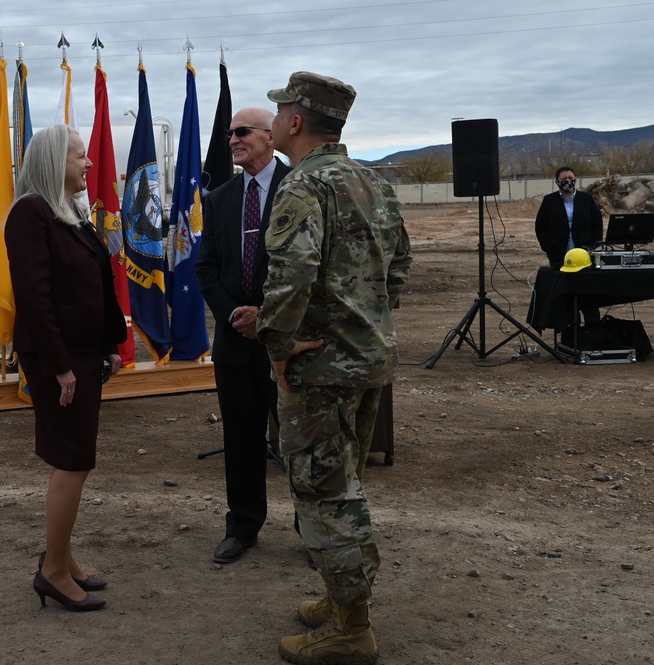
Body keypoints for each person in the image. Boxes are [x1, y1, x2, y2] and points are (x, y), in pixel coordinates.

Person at [257, 72, 412, 664]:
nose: (272, 121)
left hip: (321, 370)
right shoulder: (372, 182)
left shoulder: (304, 187)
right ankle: (338, 596)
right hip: (368, 360)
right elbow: (398, 269)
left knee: (325, 494)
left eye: (278, 112)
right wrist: (361, 322)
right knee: (343, 481)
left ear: (296, 122)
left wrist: (279, 343)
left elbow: (292, 275)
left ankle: (352, 628)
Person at [4, 124, 127, 613]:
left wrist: (110, 345)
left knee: (76, 459)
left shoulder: (70, 211)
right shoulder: (30, 212)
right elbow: (33, 298)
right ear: (55, 161)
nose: (89, 164)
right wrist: (60, 368)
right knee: (73, 460)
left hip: (81, 354)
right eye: (79, 156)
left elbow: (98, 280)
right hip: (58, 359)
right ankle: (52, 572)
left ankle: (63, 557)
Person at [195, 108, 292, 564]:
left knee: (300, 441)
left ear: (270, 136)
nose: (232, 139)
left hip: (288, 343)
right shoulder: (219, 198)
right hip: (235, 343)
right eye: (229, 133)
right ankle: (243, 526)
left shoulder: (302, 188)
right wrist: (236, 313)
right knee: (240, 438)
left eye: (242, 132)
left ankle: (313, 531)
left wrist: (268, 316)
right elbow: (206, 268)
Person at [534, 166, 603, 328]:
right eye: (564, 179)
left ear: (575, 179)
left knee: (588, 296)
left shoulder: (586, 199)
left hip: (585, 257)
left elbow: (597, 223)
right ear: (557, 182)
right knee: (564, 295)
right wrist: (548, 247)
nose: (568, 182)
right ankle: (570, 331)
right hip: (560, 257)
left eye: (570, 178)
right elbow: (540, 226)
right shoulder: (549, 201)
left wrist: (593, 246)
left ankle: (593, 330)